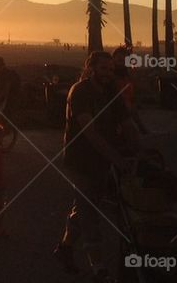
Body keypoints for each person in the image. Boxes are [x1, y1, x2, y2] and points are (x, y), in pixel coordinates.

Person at [54, 51, 137, 282]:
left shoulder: (111, 91)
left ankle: (65, 248)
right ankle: (99, 268)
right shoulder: (80, 92)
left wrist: (140, 150)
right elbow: (89, 132)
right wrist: (116, 158)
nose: (108, 73)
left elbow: (127, 121)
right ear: (91, 69)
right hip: (80, 161)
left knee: (83, 206)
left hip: (103, 160)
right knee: (90, 214)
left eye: (111, 69)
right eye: (103, 69)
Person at [111, 47, 148, 135]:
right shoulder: (110, 75)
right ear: (114, 58)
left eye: (124, 57)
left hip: (126, 108)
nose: (122, 59)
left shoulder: (126, 75)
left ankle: (141, 128)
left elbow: (130, 96)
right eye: (119, 57)